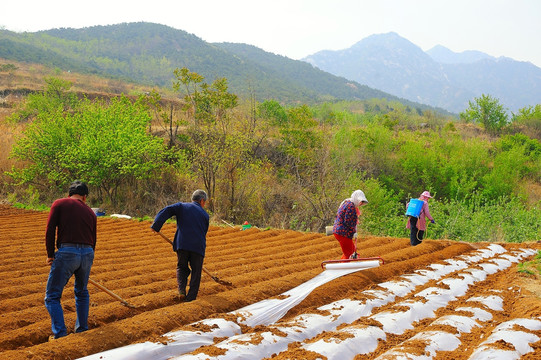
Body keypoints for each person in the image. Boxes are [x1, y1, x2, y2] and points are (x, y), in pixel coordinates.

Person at [45, 180, 97, 339]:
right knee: (81, 292)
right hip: (88, 253)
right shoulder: (90, 212)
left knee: (52, 296)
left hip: (67, 252)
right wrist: (86, 260)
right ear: (85, 197)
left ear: (69, 195)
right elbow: (93, 239)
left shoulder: (60, 203)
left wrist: (50, 254)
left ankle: (60, 335)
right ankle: (81, 329)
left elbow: (50, 229)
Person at [150, 189, 209, 302]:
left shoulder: (182, 206)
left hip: (182, 244)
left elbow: (167, 210)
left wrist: (156, 225)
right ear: (202, 201)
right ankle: (190, 299)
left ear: (193, 199)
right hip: (198, 247)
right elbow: (204, 232)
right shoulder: (205, 215)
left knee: (182, 267)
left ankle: (181, 290)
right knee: (196, 272)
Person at [332, 190, 368, 259]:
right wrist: (353, 232)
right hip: (342, 232)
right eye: (360, 201)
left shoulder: (347, 203)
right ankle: (342, 268)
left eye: (362, 202)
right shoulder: (350, 206)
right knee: (349, 253)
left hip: (339, 231)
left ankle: (341, 264)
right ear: (356, 199)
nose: (361, 203)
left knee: (351, 251)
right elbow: (348, 222)